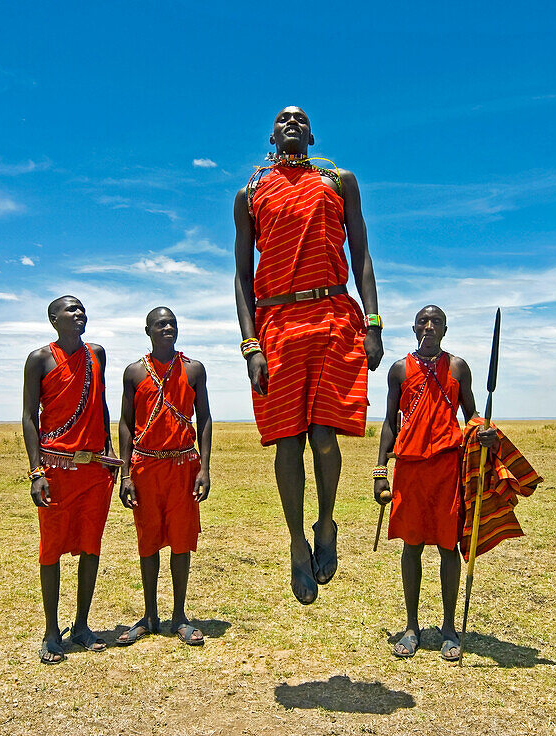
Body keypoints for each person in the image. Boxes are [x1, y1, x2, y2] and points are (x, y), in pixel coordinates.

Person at [233, 105, 383, 605]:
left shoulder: (339, 181)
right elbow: (241, 275)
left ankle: (326, 522)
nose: (292, 121)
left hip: (334, 316)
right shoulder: (250, 191)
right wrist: (250, 344)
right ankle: (296, 543)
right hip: (276, 324)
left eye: (300, 118)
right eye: (282, 118)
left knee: (324, 436)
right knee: (287, 442)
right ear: (271, 134)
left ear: (312, 133)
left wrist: (373, 321)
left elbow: (361, 253)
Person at [373, 305, 498, 661]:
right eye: (423, 321)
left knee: (447, 547)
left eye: (436, 322)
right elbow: (388, 423)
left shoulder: (457, 367)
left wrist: (483, 429)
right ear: (414, 328)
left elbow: (471, 414)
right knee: (410, 546)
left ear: (445, 330)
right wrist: (380, 471)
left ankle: (448, 628)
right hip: (410, 469)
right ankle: (411, 627)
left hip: (447, 467)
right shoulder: (399, 370)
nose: (429, 326)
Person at [22, 295, 120, 664]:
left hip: (95, 469)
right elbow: (29, 416)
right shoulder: (39, 360)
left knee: (91, 546)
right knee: (51, 549)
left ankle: (81, 625)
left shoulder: (97, 354)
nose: (80, 314)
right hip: (56, 470)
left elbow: (102, 405)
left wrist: (109, 451)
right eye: (71, 309)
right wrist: (36, 472)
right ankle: (51, 631)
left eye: (82, 308)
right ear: (53, 318)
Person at [115, 307, 212, 646]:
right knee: (149, 541)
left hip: (185, 466)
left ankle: (180, 617)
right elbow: (126, 424)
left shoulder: (193, 369)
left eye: (172, 323)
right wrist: (124, 474)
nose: (168, 328)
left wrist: (205, 467)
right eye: (160, 324)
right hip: (145, 468)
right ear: (148, 331)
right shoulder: (133, 373)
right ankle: (150, 615)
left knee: (181, 541)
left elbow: (206, 420)